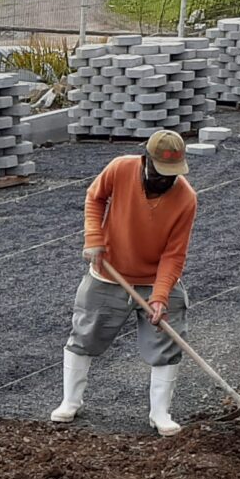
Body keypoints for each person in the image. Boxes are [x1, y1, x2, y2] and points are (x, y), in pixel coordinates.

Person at [51, 130, 199, 437]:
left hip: (154, 277)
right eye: (160, 173)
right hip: (108, 272)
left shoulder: (186, 198)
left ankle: (160, 414)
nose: (165, 180)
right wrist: (94, 239)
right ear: (146, 160)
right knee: (85, 334)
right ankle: (70, 402)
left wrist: (160, 297)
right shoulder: (120, 168)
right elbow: (95, 197)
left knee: (167, 343)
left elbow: (174, 255)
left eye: (172, 174)